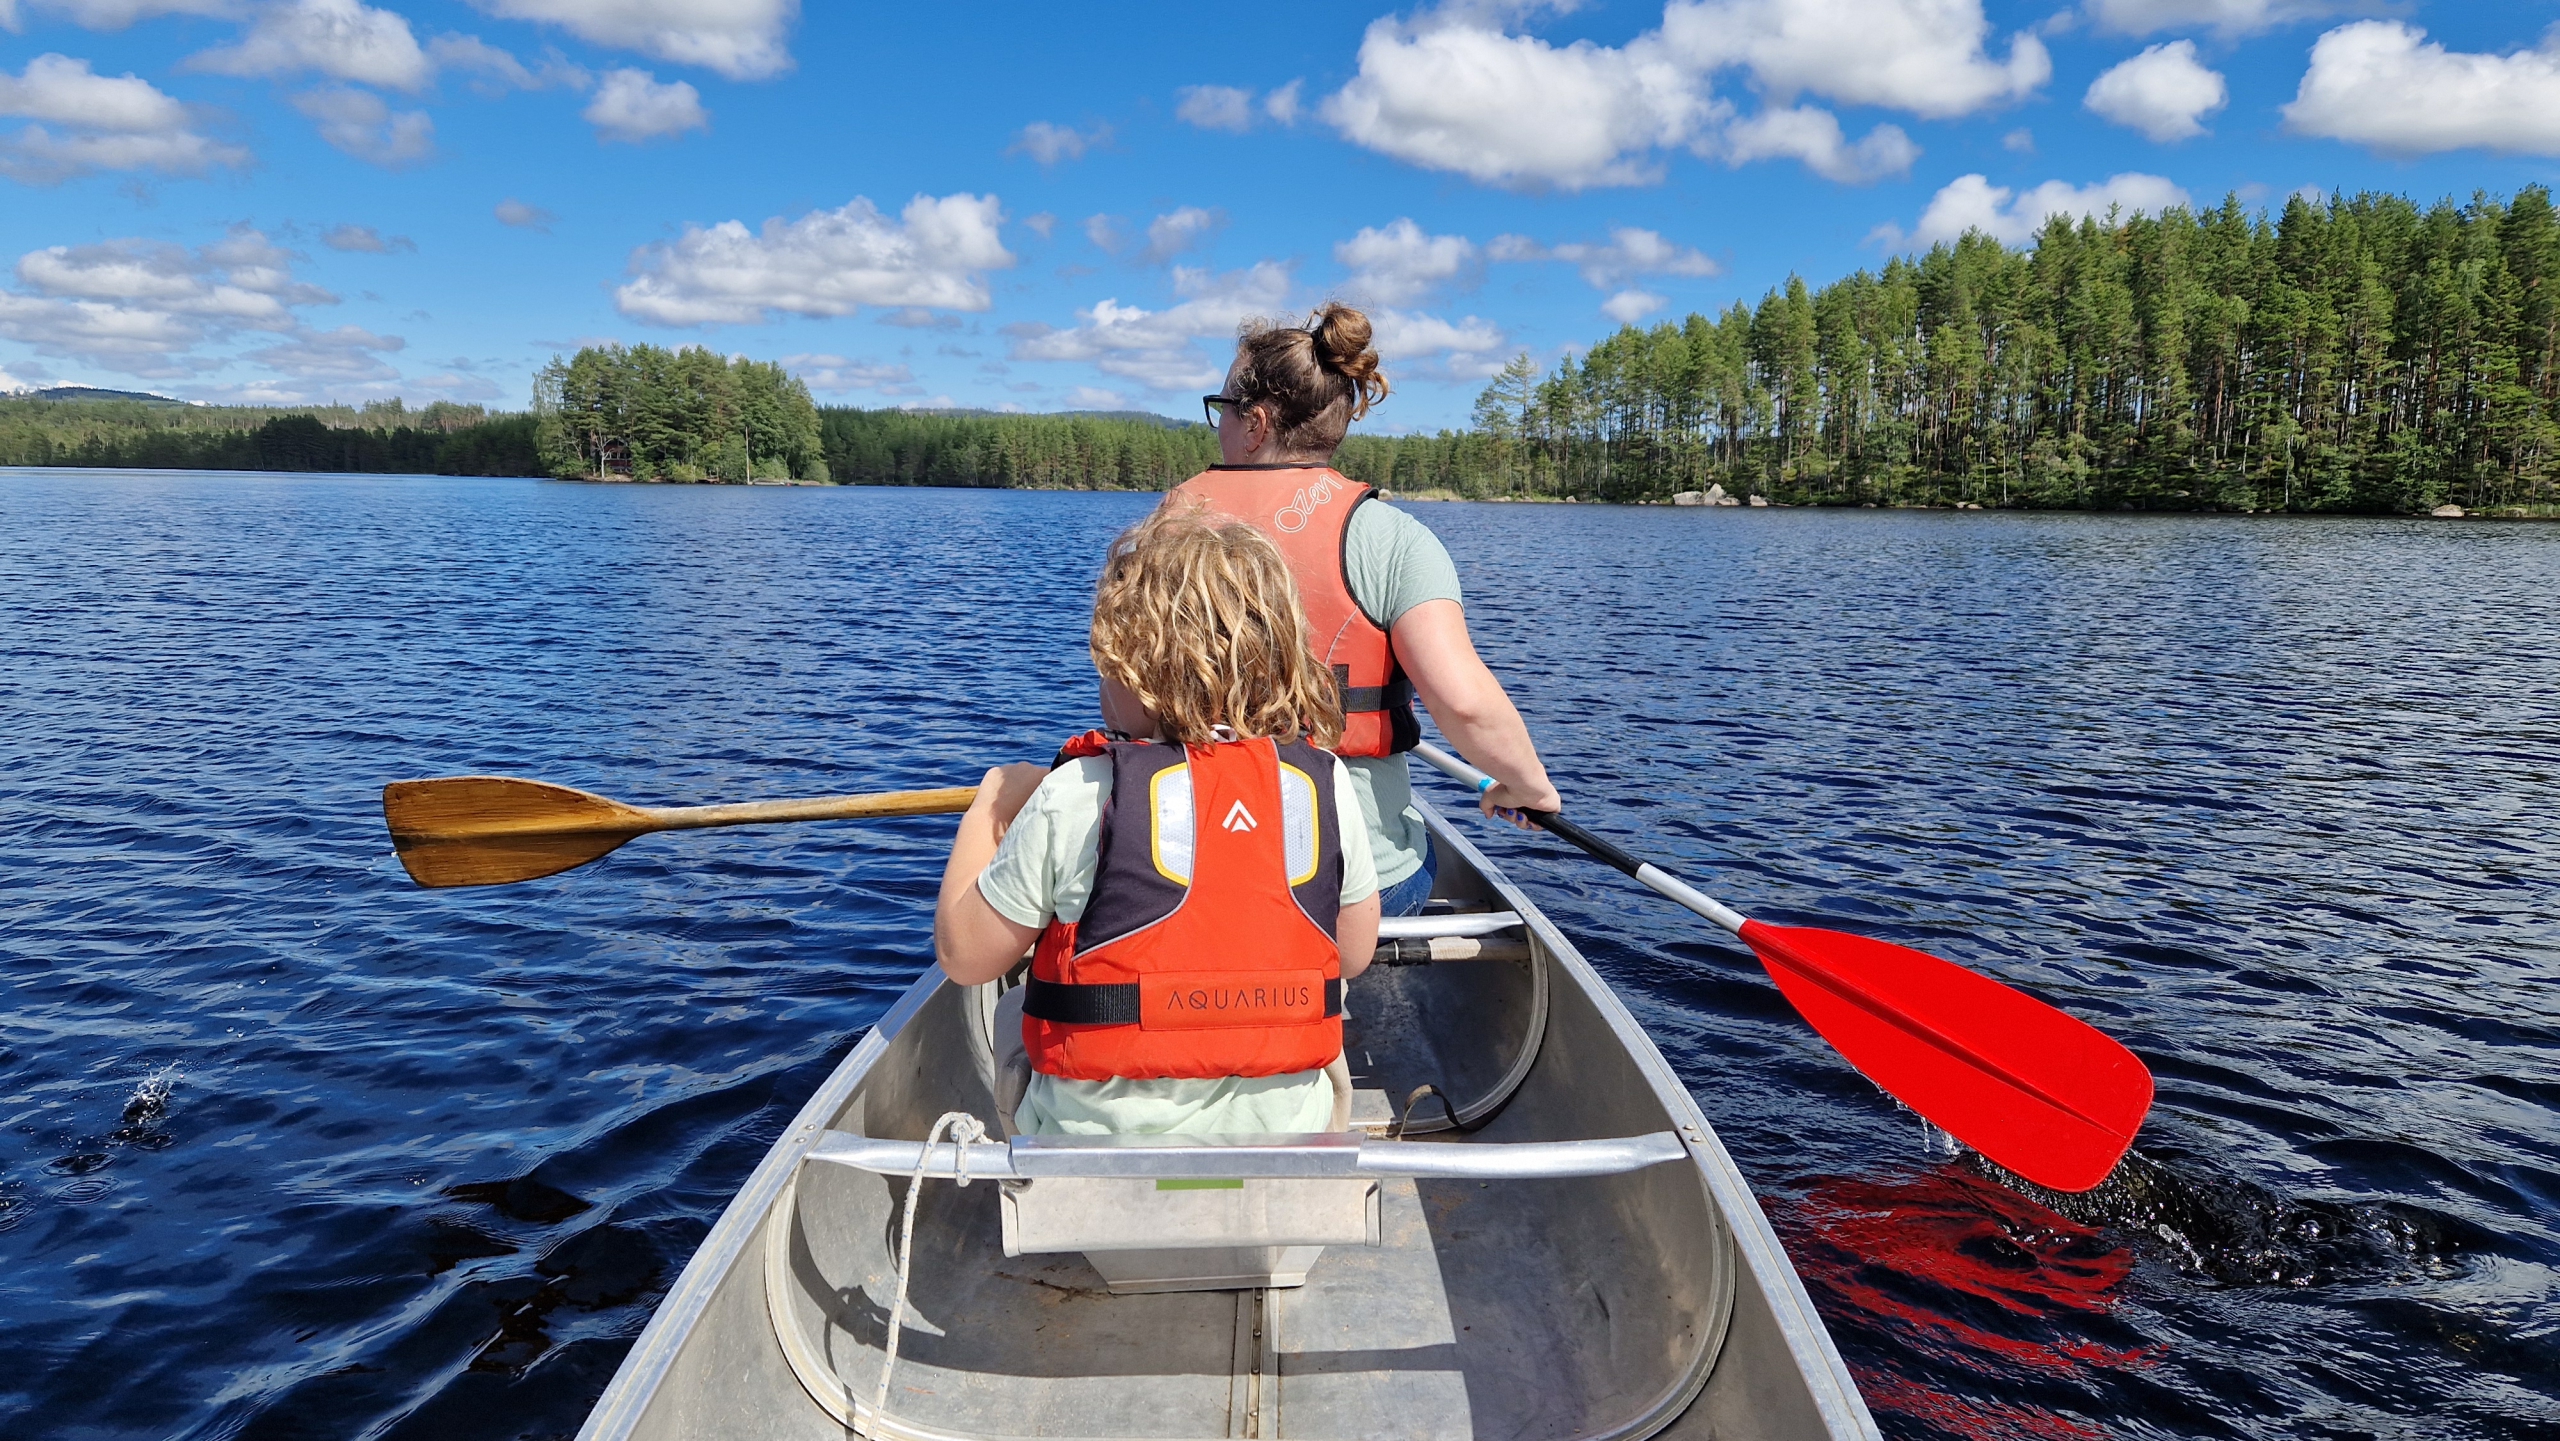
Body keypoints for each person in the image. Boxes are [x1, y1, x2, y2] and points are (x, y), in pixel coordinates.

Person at [933, 506, 1381, 1136]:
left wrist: (992, 806)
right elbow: (1354, 953)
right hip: (1285, 1157)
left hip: (1094, 1169)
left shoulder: (1077, 793)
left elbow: (964, 956)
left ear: (1138, 676)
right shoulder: (1325, 784)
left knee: (1008, 1008)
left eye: (1106, 670)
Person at [1173, 302, 1560, 915]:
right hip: (1354, 878)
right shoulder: (1395, 539)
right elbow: (1462, 703)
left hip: (1181, 868)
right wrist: (1528, 786)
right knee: (1411, 860)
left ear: (1255, 423)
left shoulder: (1166, 533)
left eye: (1221, 409)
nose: (1217, 425)